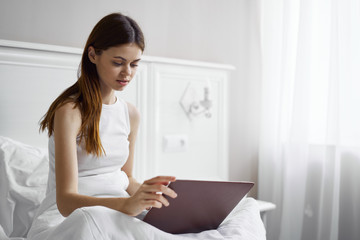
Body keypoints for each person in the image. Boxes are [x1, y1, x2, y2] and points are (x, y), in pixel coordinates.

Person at [27, 12, 178, 240]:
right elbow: (66, 201)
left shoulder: (131, 114)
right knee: (92, 226)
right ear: (93, 54)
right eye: (118, 62)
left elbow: (126, 178)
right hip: (72, 217)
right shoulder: (70, 112)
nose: (127, 72)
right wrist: (127, 205)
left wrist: (153, 197)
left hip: (117, 210)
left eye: (134, 64)